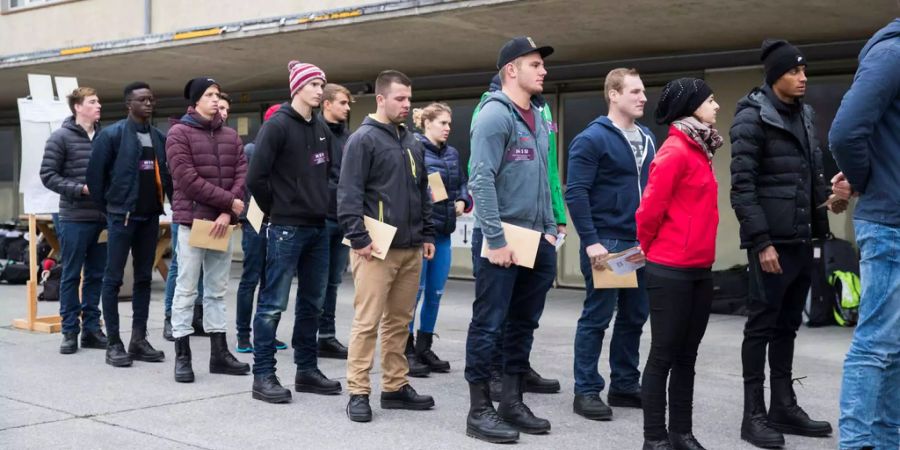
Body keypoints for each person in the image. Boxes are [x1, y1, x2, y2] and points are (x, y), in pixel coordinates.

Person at [730, 39, 839, 448]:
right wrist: (761, 243)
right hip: (771, 244)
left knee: (788, 326)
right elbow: (742, 188)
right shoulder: (751, 118)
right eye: (795, 71)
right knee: (761, 326)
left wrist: (828, 202)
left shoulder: (806, 115)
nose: (803, 77)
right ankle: (752, 414)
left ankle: (783, 405)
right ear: (776, 76)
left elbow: (808, 175)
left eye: (804, 70)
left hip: (802, 238)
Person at [465, 37, 557, 443]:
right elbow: (480, 179)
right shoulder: (494, 116)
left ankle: (512, 401)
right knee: (489, 324)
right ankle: (479, 408)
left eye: (542, 65)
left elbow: (545, 177)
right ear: (511, 70)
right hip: (502, 239)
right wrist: (496, 238)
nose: (543, 71)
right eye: (535, 64)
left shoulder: (537, 116)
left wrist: (552, 229)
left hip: (537, 238)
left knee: (523, 324)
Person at [339, 70, 436, 422]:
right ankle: (358, 391)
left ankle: (395, 387)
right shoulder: (363, 139)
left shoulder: (412, 141)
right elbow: (348, 193)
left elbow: (422, 190)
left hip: (410, 247)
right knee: (367, 322)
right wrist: (359, 237)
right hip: (374, 249)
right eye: (400, 99)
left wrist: (427, 234)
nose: (407, 105)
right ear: (380, 99)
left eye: (409, 99)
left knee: (399, 323)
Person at [247, 61, 342, 403]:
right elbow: (255, 178)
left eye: (322, 84)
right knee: (273, 303)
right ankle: (263, 375)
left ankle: (306, 370)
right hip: (287, 227)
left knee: (312, 304)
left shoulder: (320, 127)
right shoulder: (277, 126)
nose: (321, 90)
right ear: (298, 87)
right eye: (315, 84)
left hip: (318, 227)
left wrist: (322, 203)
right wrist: (278, 208)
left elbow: (333, 171)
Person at [565, 67, 656, 421]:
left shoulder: (648, 137)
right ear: (613, 95)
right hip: (609, 242)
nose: (642, 97)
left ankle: (624, 384)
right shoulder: (592, 138)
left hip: (639, 243)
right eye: (634, 91)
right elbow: (576, 192)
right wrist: (591, 241)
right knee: (598, 317)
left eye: (643, 91)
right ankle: (586, 390)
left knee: (634, 316)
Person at [636, 78, 722, 450]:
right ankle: (654, 438)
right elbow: (649, 210)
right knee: (663, 355)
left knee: (688, 355)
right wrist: (653, 250)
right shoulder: (675, 150)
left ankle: (681, 433)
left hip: (700, 268)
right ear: (692, 106)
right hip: (670, 268)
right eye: (710, 100)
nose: (716, 105)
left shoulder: (701, 148)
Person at [829, 17, 900, 450]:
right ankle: (857, 444)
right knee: (876, 345)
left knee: (894, 347)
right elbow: (844, 132)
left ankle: (888, 440)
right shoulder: (892, 53)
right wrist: (863, 180)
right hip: (891, 222)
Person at [166, 77, 250, 383]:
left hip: (222, 223)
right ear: (195, 101)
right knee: (186, 290)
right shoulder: (178, 133)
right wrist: (230, 203)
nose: (216, 99)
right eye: (210, 95)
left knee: (216, 290)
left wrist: (228, 213)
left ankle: (219, 354)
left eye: (218, 94)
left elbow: (242, 172)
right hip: (194, 223)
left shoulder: (229, 135)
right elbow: (186, 179)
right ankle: (183, 356)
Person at [87, 81, 172, 368]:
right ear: (129, 104)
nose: (148, 103)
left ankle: (138, 339)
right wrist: (111, 209)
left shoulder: (159, 137)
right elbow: (95, 180)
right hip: (121, 218)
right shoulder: (110, 136)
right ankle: (114, 342)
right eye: (142, 100)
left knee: (144, 280)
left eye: (151, 99)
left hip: (150, 219)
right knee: (112, 280)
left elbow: (167, 177)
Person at [40, 87, 108, 354]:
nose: (98, 105)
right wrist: (80, 189)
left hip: (102, 219)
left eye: (98, 100)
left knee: (95, 276)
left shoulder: (106, 137)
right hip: (74, 218)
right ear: (78, 107)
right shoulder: (60, 138)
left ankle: (92, 329)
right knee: (70, 275)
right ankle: (70, 331)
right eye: (93, 101)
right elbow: (48, 175)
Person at [407, 102, 471, 375]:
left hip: (444, 233)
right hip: (422, 235)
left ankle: (424, 346)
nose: (448, 128)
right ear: (427, 123)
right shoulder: (415, 149)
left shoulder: (452, 154)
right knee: (414, 294)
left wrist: (463, 199)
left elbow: (462, 184)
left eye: (449, 123)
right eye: (443, 123)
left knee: (435, 293)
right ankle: (405, 349)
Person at [234, 104, 287, 354]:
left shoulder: (287, 151)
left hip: (278, 220)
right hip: (255, 220)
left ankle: (266, 334)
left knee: (271, 281)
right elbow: (251, 183)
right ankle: (243, 335)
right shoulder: (252, 150)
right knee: (251, 278)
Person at [317, 83, 353, 360]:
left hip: (344, 219)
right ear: (327, 104)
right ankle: (309, 335)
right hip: (320, 217)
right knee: (316, 280)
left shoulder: (349, 138)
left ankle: (326, 335)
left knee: (333, 281)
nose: (347, 108)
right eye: (342, 103)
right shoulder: (313, 132)